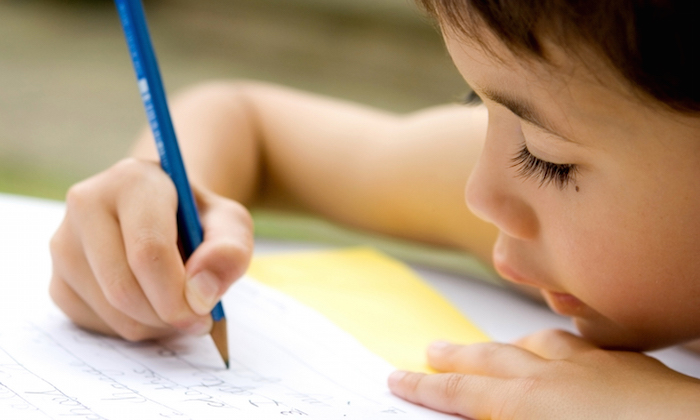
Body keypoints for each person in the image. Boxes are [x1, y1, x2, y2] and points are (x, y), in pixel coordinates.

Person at [48, 0, 700, 418]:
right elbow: (244, 121)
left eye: (544, 156)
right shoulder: (529, 189)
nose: (479, 194)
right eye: (478, 104)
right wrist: (157, 210)